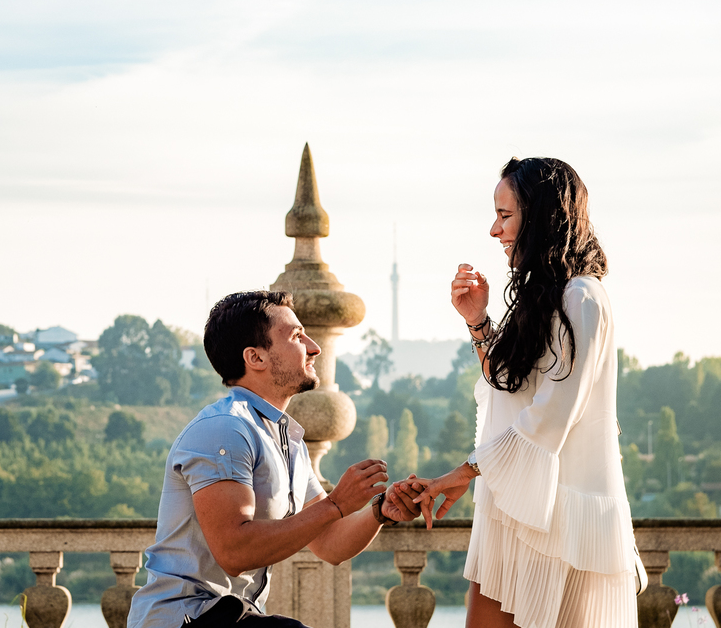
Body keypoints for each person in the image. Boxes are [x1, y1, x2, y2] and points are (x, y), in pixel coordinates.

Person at [407, 157, 642, 628]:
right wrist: (478, 320)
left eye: (505, 215)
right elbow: (509, 385)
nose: (494, 230)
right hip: (516, 505)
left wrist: (465, 471)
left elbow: (552, 415)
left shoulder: (582, 298)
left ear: (540, 217)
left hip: (561, 518)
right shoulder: (545, 297)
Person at [128, 290, 426, 628]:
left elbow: (329, 543)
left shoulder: (287, 440)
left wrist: (380, 510)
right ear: (255, 357)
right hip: (186, 618)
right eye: (297, 336)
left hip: (231, 616)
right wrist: (336, 504)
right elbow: (234, 552)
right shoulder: (224, 429)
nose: (314, 347)